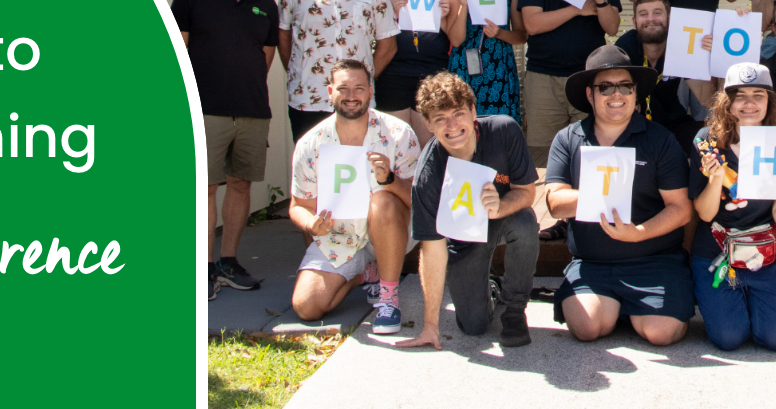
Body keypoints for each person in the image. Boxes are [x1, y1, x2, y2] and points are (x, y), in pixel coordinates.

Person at [544, 45, 694, 345]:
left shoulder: (660, 140)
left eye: (625, 86)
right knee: (587, 329)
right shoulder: (568, 138)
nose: (616, 95)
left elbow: (681, 208)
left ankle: (633, 311)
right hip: (592, 263)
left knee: (661, 333)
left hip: (655, 259)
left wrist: (639, 233)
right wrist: (603, 186)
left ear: (635, 92)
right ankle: (615, 308)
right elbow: (555, 203)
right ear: (590, 95)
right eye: (605, 87)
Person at [394, 73, 540, 349]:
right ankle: (491, 288)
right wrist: (430, 326)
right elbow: (432, 249)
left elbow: (527, 192)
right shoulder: (427, 175)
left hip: (503, 219)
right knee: (473, 327)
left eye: (458, 113)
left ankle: (514, 310)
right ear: (427, 123)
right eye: (440, 118)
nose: (452, 125)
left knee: (524, 221)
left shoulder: (504, 130)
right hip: (462, 241)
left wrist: (500, 208)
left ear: (474, 111)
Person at [173, 0, 278, 299]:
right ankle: (204, 267)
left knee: (240, 185)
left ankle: (229, 261)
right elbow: (177, 52)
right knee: (206, 187)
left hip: (251, 110)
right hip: (205, 109)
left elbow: (265, 58)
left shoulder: (265, 3)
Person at [286, 60, 422, 335]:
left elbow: (420, 201)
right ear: (329, 92)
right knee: (307, 307)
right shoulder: (311, 143)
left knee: (382, 200)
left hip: (389, 231)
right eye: (343, 89)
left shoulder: (397, 133)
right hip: (338, 237)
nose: (351, 96)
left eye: (359, 88)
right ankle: (365, 275)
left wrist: (389, 181)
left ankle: (387, 297)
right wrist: (311, 224)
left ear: (370, 91)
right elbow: (298, 205)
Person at [684, 62, 776, 351]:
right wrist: (715, 180)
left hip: (764, 253)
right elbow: (704, 213)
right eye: (740, 95)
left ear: (769, 101)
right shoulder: (707, 141)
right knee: (729, 338)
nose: (749, 104)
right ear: (728, 101)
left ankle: (754, 299)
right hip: (717, 253)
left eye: (758, 95)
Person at [280, 0, 403, 144]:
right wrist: (300, 72)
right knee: (311, 171)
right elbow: (283, 35)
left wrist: (361, 83)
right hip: (308, 99)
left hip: (356, 102)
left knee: (355, 170)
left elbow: (388, 44)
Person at [520, 0, 622, 165]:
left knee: (590, 151)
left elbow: (612, 27)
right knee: (542, 154)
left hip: (586, 77)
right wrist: (577, 9)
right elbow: (531, 24)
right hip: (542, 77)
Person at [377, 0, 451, 147]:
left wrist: (446, 14)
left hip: (431, 72)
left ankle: (423, 184)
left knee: (426, 144)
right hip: (394, 72)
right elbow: (371, 26)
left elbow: (454, 33)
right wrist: (391, 12)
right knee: (396, 144)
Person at [616, 0, 718, 154]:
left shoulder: (682, 44)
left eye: (657, 13)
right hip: (634, 123)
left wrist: (709, 59)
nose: (650, 19)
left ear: (669, 18)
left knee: (705, 147)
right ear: (634, 21)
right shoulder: (625, 47)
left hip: (672, 121)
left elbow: (706, 99)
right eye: (643, 14)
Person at [443, 0, 525, 124]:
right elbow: (455, 38)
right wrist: (462, 5)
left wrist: (499, 33)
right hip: (465, 68)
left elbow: (522, 35)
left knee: (501, 130)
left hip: (500, 67)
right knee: (464, 127)